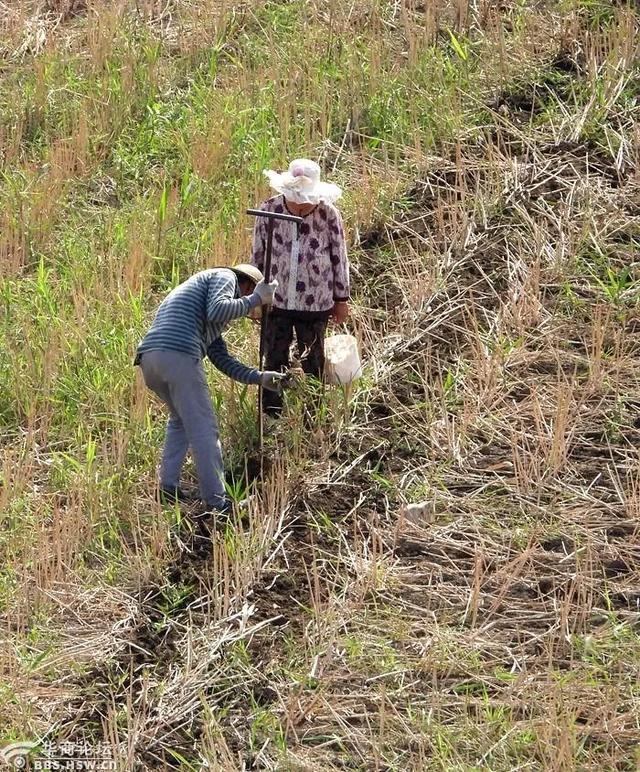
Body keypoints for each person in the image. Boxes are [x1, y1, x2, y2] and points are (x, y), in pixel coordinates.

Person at [134, 264, 285, 513]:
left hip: (151, 359)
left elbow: (222, 360)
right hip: (179, 354)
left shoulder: (203, 305)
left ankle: (168, 489)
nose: (249, 311)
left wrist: (260, 377)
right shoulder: (225, 277)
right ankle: (218, 503)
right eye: (251, 301)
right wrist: (257, 298)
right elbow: (218, 309)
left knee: (181, 421)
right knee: (205, 430)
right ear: (247, 284)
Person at [251, 158, 350, 416]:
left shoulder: (328, 215)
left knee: (313, 360)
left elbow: (339, 258)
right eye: (296, 197)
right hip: (277, 300)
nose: (301, 203)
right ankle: (272, 413)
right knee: (274, 357)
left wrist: (341, 299)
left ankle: (313, 414)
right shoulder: (269, 210)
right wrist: (254, 298)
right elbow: (258, 256)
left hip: (315, 302)